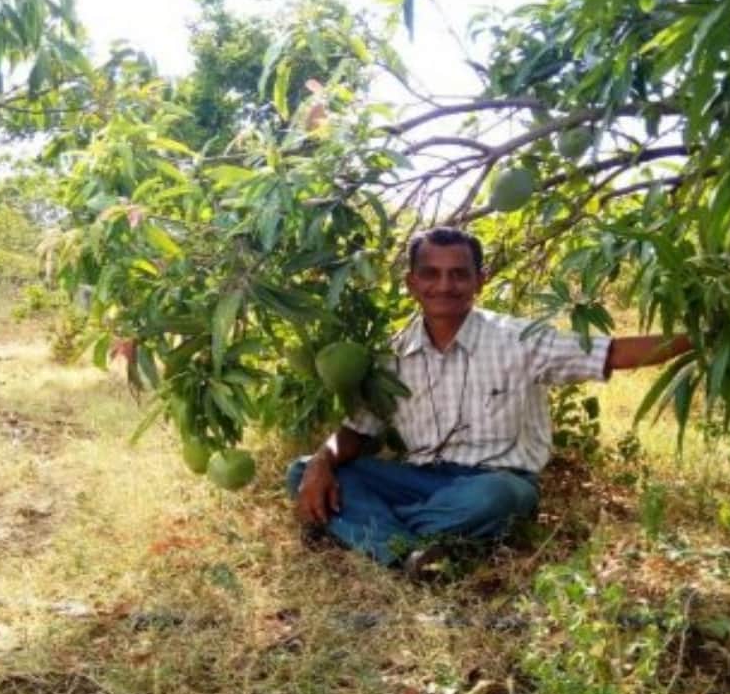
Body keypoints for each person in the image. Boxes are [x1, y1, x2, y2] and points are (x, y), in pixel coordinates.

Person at [286, 226, 691, 572]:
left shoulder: (519, 340)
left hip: (495, 483)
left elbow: (612, 353)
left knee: (494, 498)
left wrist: (696, 339)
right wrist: (322, 461)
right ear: (411, 283)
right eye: (431, 274)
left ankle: (377, 536)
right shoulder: (390, 356)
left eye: (459, 275)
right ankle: (412, 551)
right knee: (302, 471)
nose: (445, 286)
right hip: (420, 481)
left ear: (480, 281)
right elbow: (358, 430)